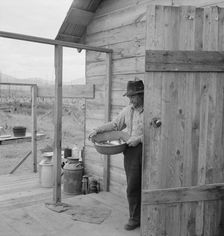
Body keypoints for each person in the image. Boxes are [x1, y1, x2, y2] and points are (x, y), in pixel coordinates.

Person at [88, 80, 144, 230]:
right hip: (132, 152)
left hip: (149, 150)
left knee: (149, 185)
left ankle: (150, 216)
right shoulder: (128, 110)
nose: (131, 100)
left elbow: (157, 131)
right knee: (133, 186)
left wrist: (139, 139)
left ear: (141, 95)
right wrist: (97, 130)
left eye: (133, 97)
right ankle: (135, 218)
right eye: (129, 97)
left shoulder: (151, 110)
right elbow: (115, 125)